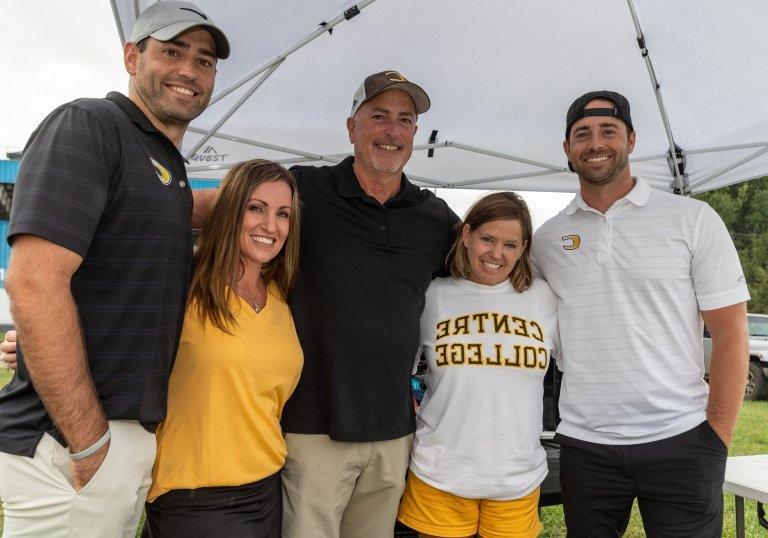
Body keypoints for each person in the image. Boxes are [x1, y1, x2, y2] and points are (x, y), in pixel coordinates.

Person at [0, 2, 230, 536]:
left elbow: (188, 208)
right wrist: (88, 441)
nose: (189, 71)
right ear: (131, 56)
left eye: (204, 61)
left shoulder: (166, 167)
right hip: (71, 441)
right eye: (172, 52)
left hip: (119, 438)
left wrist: (277, 190)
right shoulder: (89, 125)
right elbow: (33, 282)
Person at [531, 90, 750, 537]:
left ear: (631, 140)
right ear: (567, 149)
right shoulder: (547, 240)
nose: (596, 143)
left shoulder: (694, 219)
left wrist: (716, 438)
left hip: (682, 439)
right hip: (585, 446)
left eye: (608, 131)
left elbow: (731, 335)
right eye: (582, 134)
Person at [279, 71, 459, 537]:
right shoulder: (302, 191)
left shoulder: (434, 216)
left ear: (415, 135)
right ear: (351, 126)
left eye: (405, 120)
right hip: (312, 424)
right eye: (378, 116)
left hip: (393, 429)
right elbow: (232, 213)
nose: (391, 130)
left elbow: (489, 259)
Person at [141, 159, 303, 537]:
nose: (270, 226)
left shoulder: (280, 297)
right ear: (229, 209)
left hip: (266, 489)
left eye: (283, 214)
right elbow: (117, 328)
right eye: (255, 208)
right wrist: (33, 347)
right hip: (194, 494)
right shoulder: (184, 284)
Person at [397, 192, 557, 538]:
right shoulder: (433, 295)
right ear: (467, 235)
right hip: (440, 471)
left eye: (510, 244)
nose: (496, 254)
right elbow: (400, 368)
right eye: (487, 239)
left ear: (524, 248)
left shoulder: (546, 299)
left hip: (516, 477)